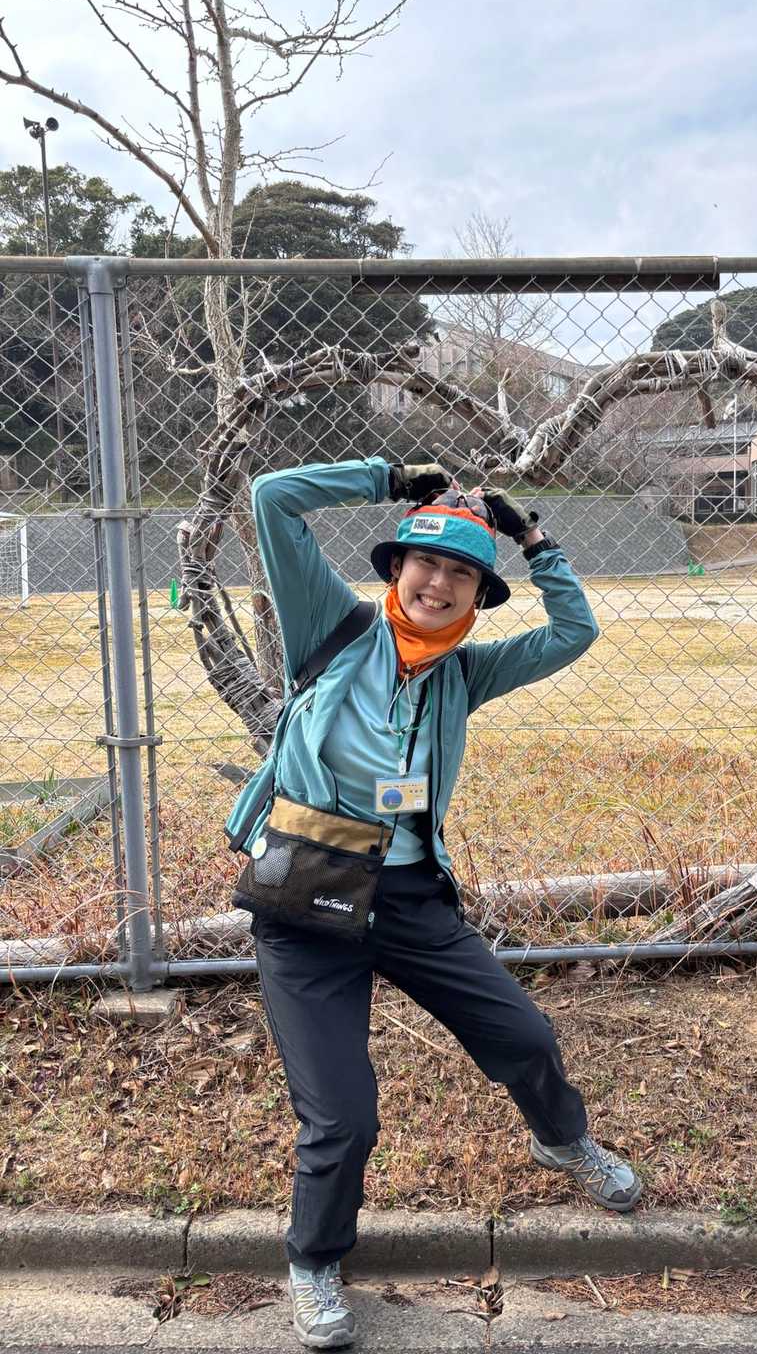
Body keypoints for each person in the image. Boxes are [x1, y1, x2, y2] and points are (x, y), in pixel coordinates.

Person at [225, 456, 642, 1350]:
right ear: (397, 567)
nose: (439, 583)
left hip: (411, 899)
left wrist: (534, 541)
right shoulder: (331, 626)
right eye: (426, 562)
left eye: (461, 573)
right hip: (306, 901)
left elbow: (574, 631)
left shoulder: (465, 674)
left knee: (524, 1036)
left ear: (479, 595)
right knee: (342, 1117)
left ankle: (561, 1140)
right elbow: (272, 498)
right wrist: (390, 478)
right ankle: (314, 1261)